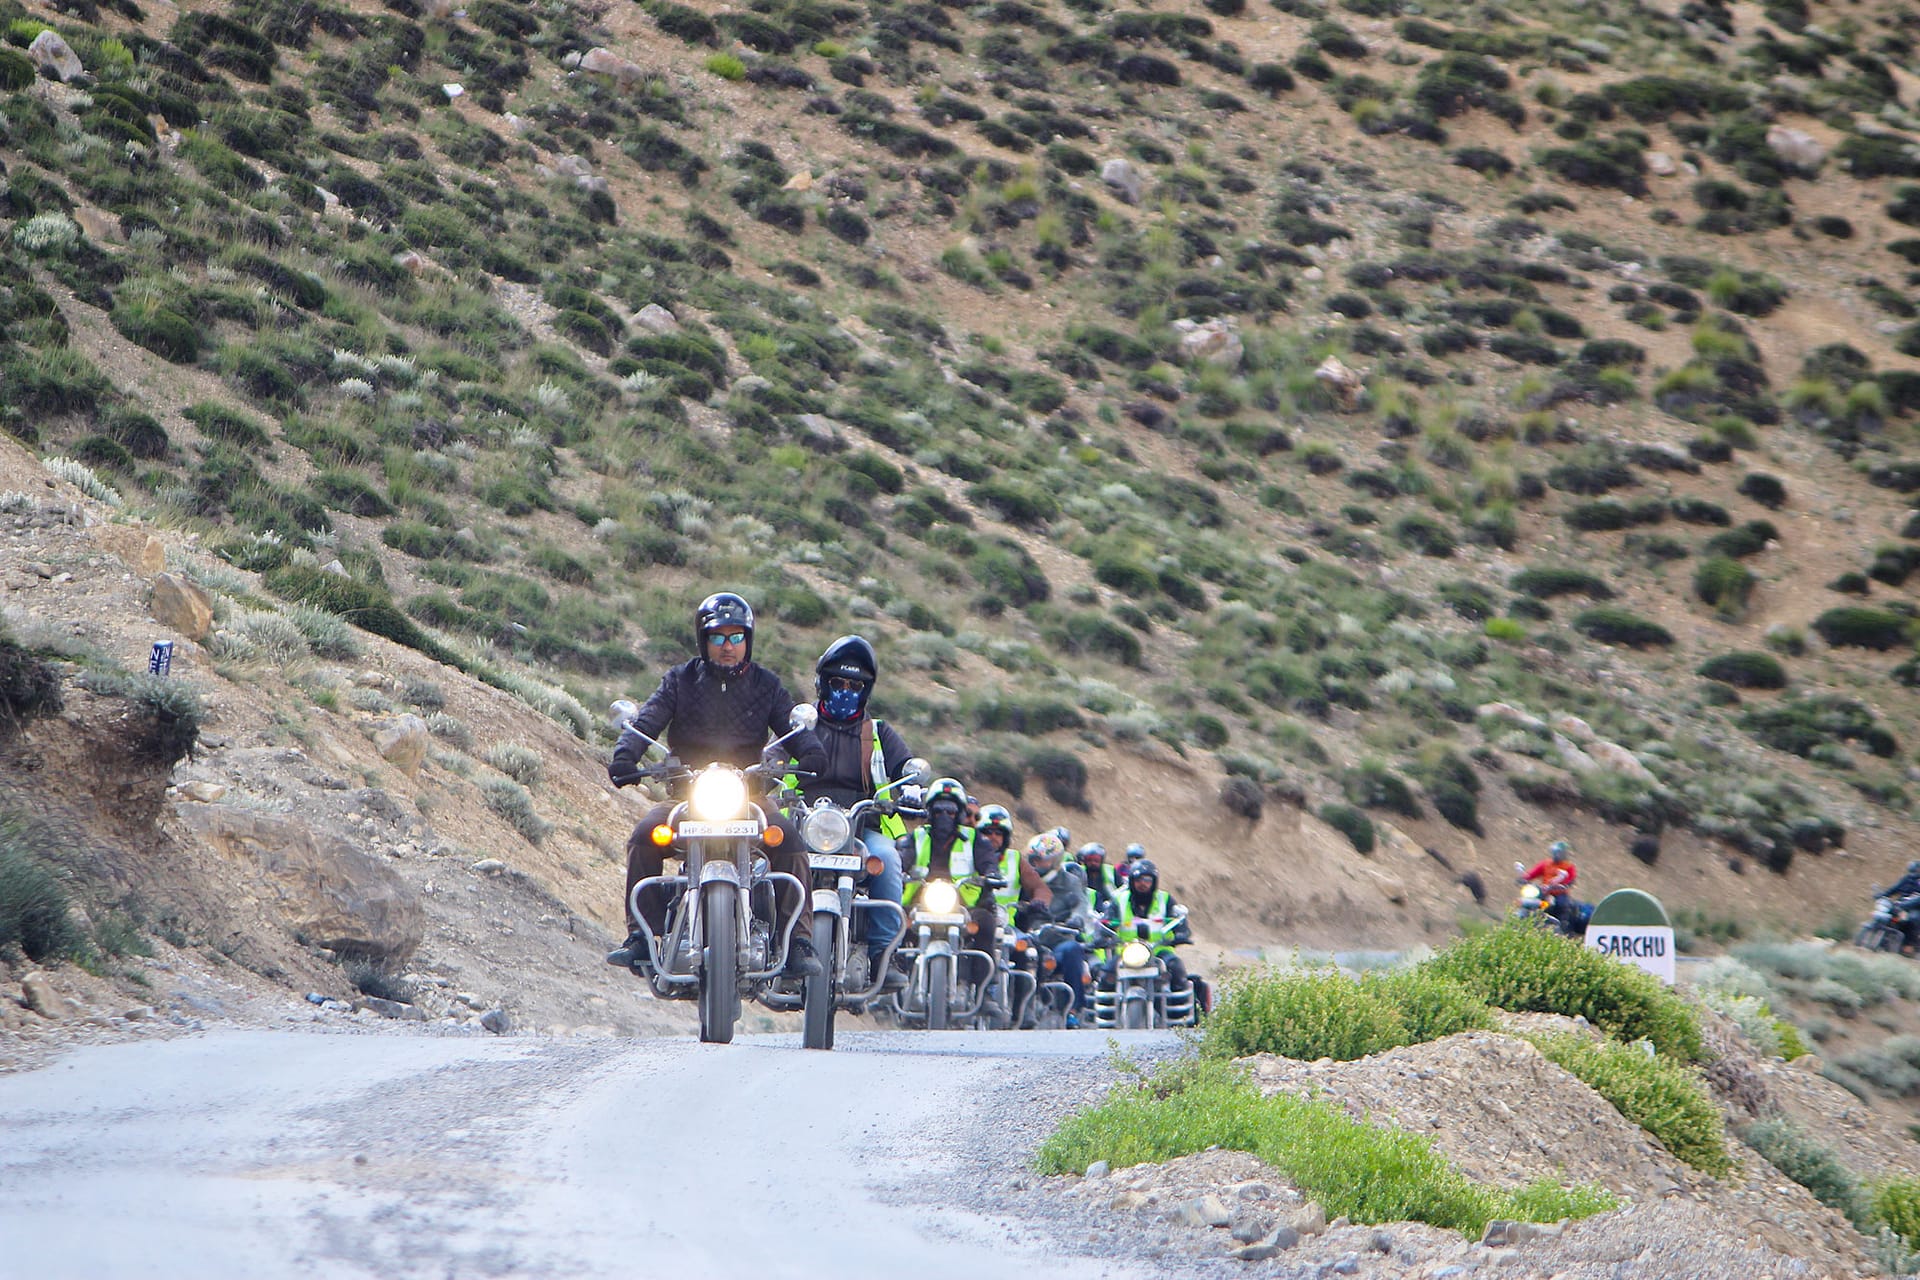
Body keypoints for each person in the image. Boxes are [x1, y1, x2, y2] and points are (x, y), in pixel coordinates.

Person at [606, 592, 827, 977]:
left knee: (788, 840)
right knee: (645, 835)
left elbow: (792, 731)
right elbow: (646, 722)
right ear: (703, 640)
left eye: (736, 637)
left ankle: (798, 942)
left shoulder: (767, 685)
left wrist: (811, 753)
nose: (728, 647)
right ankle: (641, 937)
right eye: (718, 637)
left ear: (748, 640)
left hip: (750, 795)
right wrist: (627, 754)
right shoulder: (680, 680)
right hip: (689, 795)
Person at [799, 634, 912, 986]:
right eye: (838, 683)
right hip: (801, 822)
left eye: (855, 685)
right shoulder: (800, 724)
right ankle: (761, 937)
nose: (845, 691)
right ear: (822, 683)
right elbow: (771, 755)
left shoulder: (878, 733)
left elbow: (906, 768)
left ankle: (882, 955)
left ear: (866, 690)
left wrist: (909, 788)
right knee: (765, 859)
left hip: (860, 826)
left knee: (888, 860)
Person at [1016, 833, 1097, 1027]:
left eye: (1042, 860)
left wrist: (1076, 919)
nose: (1036, 864)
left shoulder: (1070, 881)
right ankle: (1015, 1006)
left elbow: (1081, 904)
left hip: (1059, 936)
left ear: (1055, 861)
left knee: (1072, 950)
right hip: (1030, 936)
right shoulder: (1024, 879)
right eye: (1033, 859)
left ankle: (1073, 1010)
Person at [1103, 858, 1199, 1005]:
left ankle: (1179, 1010)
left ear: (1154, 881)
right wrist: (1103, 933)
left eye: (1147, 880)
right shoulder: (1119, 900)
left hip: (1158, 950)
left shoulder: (1165, 899)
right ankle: (1106, 1012)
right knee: (1106, 973)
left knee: (1176, 967)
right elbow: (1107, 920)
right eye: (1139, 880)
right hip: (1127, 951)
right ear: (1131, 881)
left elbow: (1178, 919)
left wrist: (1181, 933)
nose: (1143, 884)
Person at [1521, 840, 1580, 932]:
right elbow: (1534, 873)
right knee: (1530, 901)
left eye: (1558, 852)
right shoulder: (1546, 863)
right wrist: (1525, 878)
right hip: (1544, 891)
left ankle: (1562, 928)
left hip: (1559, 893)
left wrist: (1565, 884)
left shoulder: (1568, 866)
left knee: (1561, 905)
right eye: (1554, 852)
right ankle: (1528, 922)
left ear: (1563, 853)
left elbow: (1571, 879)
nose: (1556, 854)